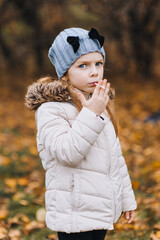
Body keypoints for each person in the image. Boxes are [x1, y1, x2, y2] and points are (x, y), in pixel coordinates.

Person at [25, 27, 137, 240]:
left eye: (98, 63)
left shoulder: (98, 103)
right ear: (65, 71)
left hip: (100, 207)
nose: (94, 71)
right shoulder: (51, 108)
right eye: (83, 65)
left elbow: (115, 158)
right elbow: (67, 152)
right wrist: (92, 113)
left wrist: (126, 199)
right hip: (74, 212)